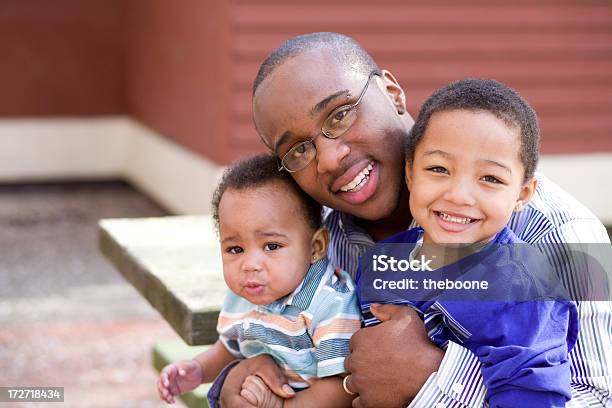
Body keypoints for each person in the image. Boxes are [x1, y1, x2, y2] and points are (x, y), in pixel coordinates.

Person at [213, 32, 612, 408]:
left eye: (339, 116)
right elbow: (282, 329)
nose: (330, 158)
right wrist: (245, 375)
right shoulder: (321, 239)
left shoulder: (560, 235)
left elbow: (599, 395)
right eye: (300, 150)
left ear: (392, 93)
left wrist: (433, 380)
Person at [357, 78, 579, 407]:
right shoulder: (384, 259)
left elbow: (534, 399)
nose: (459, 195)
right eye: (438, 168)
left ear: (522, 194)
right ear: (410, 173)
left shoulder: (523, 290)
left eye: (490, 178)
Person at [157, 154, 360, 407]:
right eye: (235, 249)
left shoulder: (329, 303)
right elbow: (231, 348)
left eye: (271, 246)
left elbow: (343, 386)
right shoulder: (244, 296)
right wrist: (197, 370)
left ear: (315, 247)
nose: (250, 265)